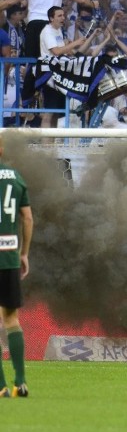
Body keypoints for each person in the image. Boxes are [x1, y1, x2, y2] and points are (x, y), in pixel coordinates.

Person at [0, 134, 33, 398]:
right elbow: (28, 217)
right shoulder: (15, 176)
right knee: (11, 319)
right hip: (9, 255)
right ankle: (20, 382)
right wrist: (24, 253)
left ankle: (1, 386)